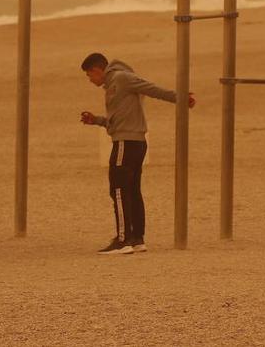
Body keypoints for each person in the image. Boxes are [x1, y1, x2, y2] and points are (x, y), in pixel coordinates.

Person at [79, 52, 194, 255]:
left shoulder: (121, 78)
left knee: (119, 190)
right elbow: (117, 121)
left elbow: (151, 88)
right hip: (131, 140)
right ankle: (137, 238)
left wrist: (180, 98)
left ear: (97, 70)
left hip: (127, 142)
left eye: (89, 76)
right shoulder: (115, 84)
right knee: (131, 190)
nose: (90, 80)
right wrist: (96, 120)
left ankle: (123, 240)